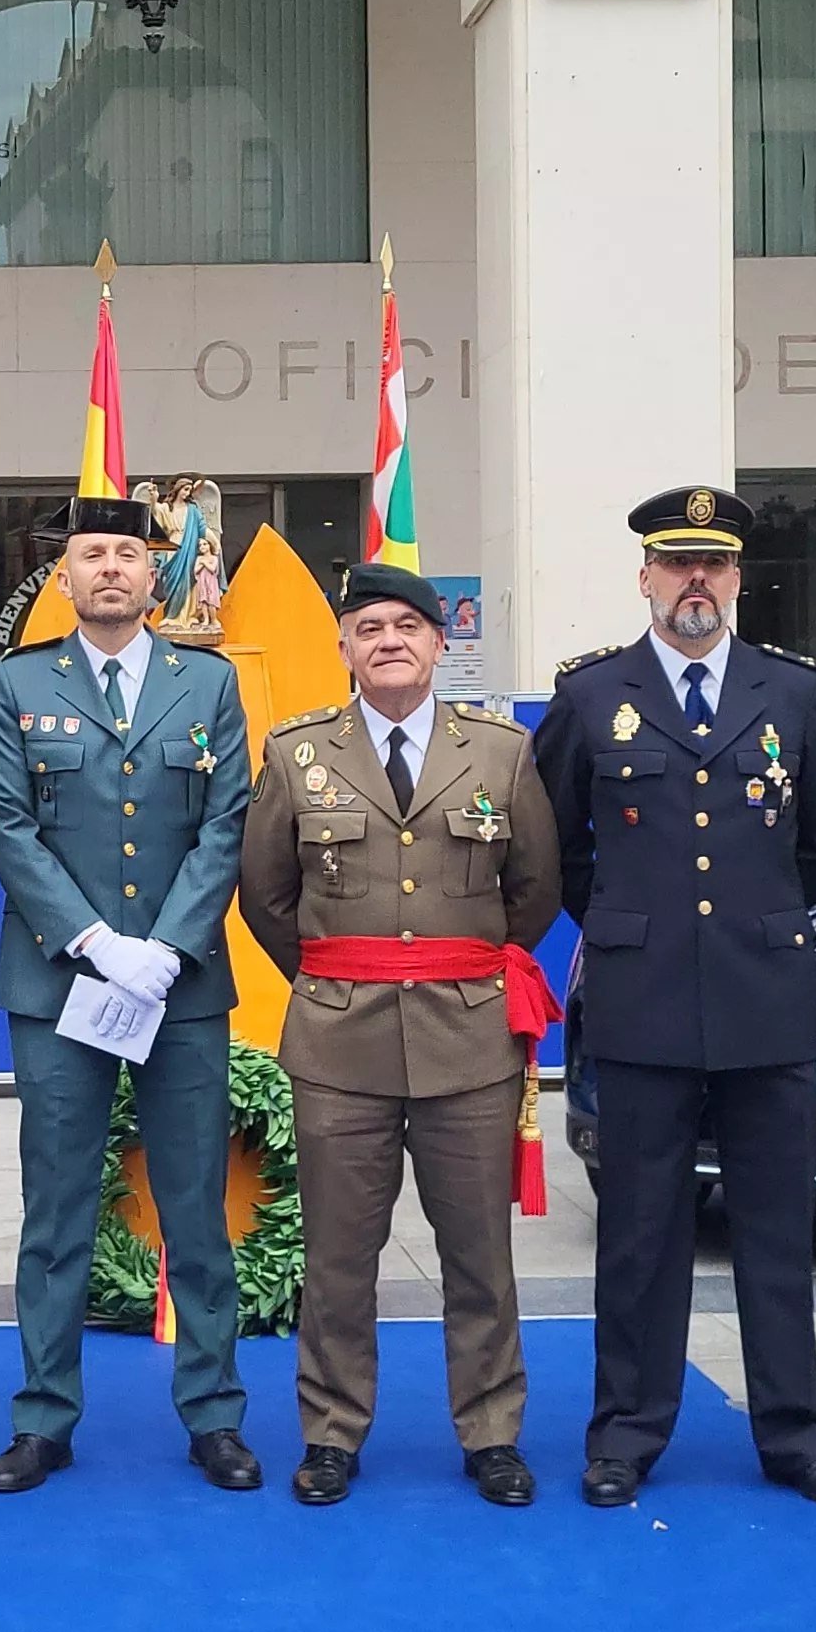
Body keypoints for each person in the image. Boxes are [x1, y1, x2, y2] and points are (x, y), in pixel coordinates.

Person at [536, 485, 816, 1512]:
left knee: (777, 1228)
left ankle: (796, 1435)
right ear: (646, 578)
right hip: (642, 1000)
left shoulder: (796, 695)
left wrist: (760, 924)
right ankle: (626, 1431)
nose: (697, 583)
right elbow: (557, 850)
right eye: (678, 564)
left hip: (765, 999)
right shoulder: (592, 697)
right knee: (639, 1233)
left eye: (714, 565)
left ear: (736, 579)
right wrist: (631, 921)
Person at [239, 563, 559, 1509]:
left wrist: (458, 970)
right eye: (368, 626)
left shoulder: (499, 753)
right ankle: (331, 1432)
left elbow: (533, 888)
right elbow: (265, 895)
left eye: (406, 627)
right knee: (339, 1257)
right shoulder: (297, 752)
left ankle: (491, 1430)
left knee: (479, 1255)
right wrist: (340, 976)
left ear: (436, 645)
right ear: (342, 646)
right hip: (340, 1041)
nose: (387, 640)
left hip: (469, 1040)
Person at [0, 496, 259, 1495]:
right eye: (90, 553)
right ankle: (45, 1419)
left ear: (153, 576)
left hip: (179, 989)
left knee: (194, 1205)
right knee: (56, 1208)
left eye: (127, 554)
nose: (108, 569)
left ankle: (215, 1414)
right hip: (59, 984)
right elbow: (5, 820)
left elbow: (228, 822)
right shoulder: (17, 682)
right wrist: (97, 943)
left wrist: (166, 949)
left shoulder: (208, 682)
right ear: (64, 574)